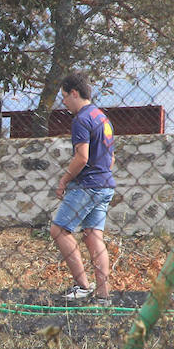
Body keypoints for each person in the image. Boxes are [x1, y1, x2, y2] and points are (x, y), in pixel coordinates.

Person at [50, 72, 115, 306]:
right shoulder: (102, 118)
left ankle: (82, 286)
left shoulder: (81, 119)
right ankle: (103, 295)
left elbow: (81, 157)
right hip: (105, 184)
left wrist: (64, 180)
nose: (64, 102)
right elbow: (111, 159)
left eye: (65, 96)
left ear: (74, 93)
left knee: (59, 230)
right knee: (93, 236)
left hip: (86, 185)